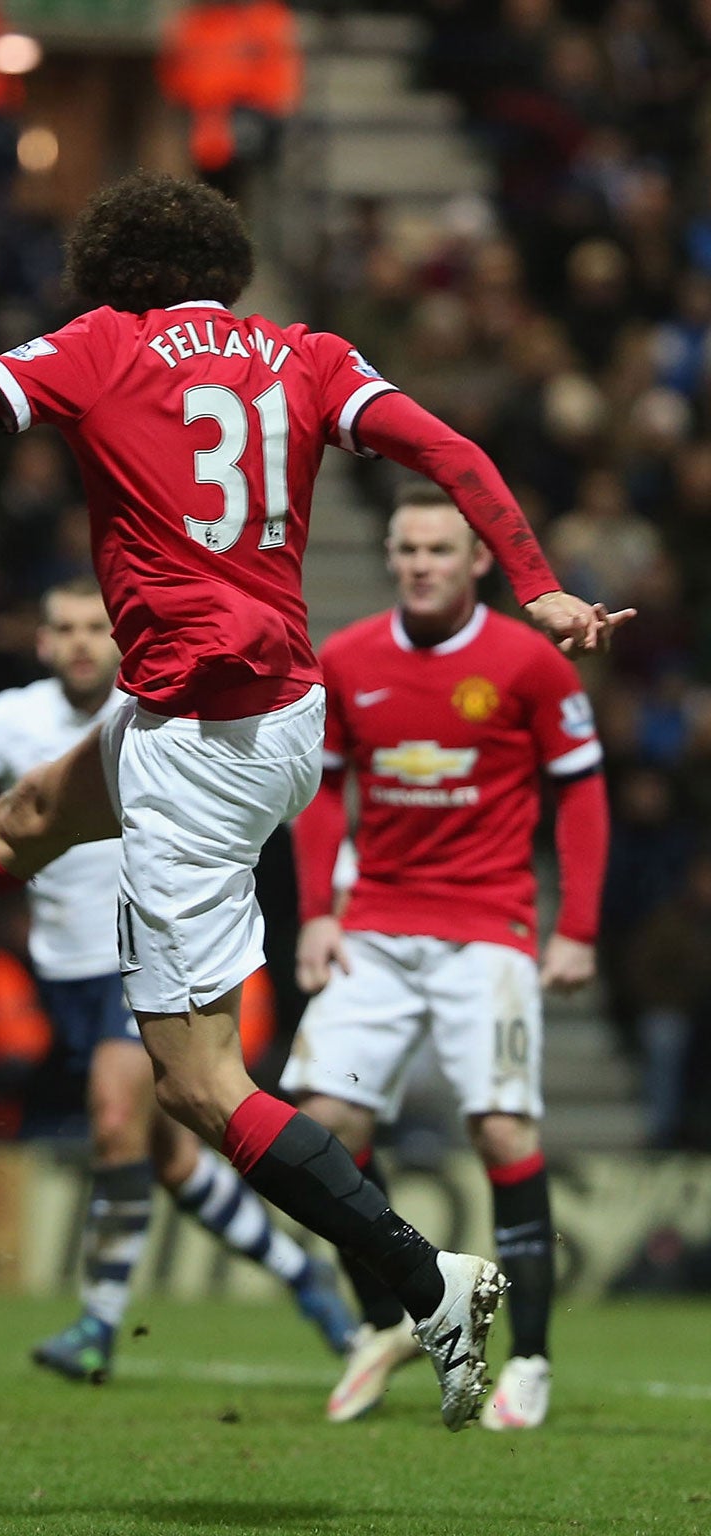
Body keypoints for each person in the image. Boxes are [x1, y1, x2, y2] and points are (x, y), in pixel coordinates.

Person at [0, 171, 630, 1431]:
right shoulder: (308, 354)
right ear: (226, 266)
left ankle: (421, 1277)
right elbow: (451, 451)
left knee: (194, 1084)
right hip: (276, 711)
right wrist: (536, 582)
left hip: (200, 746)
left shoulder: (96, 348)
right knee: (30, 815)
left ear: (107, 267)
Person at [0, 576, 354, 1381]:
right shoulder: (15, 719)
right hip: (68, 974)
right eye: (65, 627)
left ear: (121, 634)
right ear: (44, 641)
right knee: (170, 1161)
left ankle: (96, 1325)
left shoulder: (165, 708)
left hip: (160, 953)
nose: (84, 640)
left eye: (97, 625)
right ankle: (305, 1275)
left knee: (116, 1116)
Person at [285, 485, 610, 1430]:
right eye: (408, 548)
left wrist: (577, 926)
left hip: (487, 930)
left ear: (478, 562)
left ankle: (534, 1361)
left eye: (439, 548)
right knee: (318, 1122)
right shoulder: (346, 661)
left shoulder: (528, 664)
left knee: (502, 1133)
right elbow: (318, 794)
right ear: (389, 557)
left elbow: (582, 797)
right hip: (375, 928)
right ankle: (387, 1320)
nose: (421, 563)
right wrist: (316, 914)